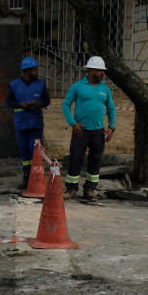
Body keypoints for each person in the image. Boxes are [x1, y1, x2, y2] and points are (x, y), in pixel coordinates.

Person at [61, 56, 116, 199]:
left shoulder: (105, 89)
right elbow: (66, 105)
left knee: (95, 160)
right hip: (81, 131)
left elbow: (111, 109)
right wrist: (73, 123)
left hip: (98, 132)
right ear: (91, 70)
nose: (102, 74)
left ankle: (90, 189)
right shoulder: (78, 86)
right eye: (99, 71)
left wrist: (111, 127)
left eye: (102, 71)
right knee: (76, 158)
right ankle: (71, 189)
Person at [6, 56, 51, 188]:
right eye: (34, 70)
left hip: (36, 123)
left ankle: (36, 177)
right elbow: (9, 102)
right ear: (26, 71)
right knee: (24, 150)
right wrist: (20, 104)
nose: (37, 72)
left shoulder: (41, 84)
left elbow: (46, 101)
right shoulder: (14, 85)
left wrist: (39, 104)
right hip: (21, 123)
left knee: (36, 151)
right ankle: (27, 176)